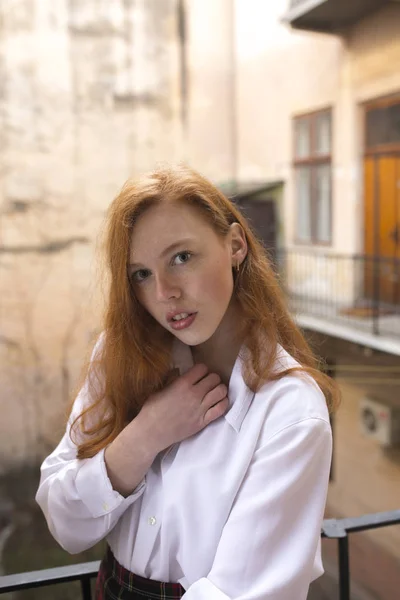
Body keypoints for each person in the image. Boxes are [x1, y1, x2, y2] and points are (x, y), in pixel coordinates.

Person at [36, 164, 338, 600]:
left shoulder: (290, 413)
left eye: (181, 258)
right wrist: (145, 436)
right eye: (141, 274)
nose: (164, 293)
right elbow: (65, 524)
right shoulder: (120, 355)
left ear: (236, 245)